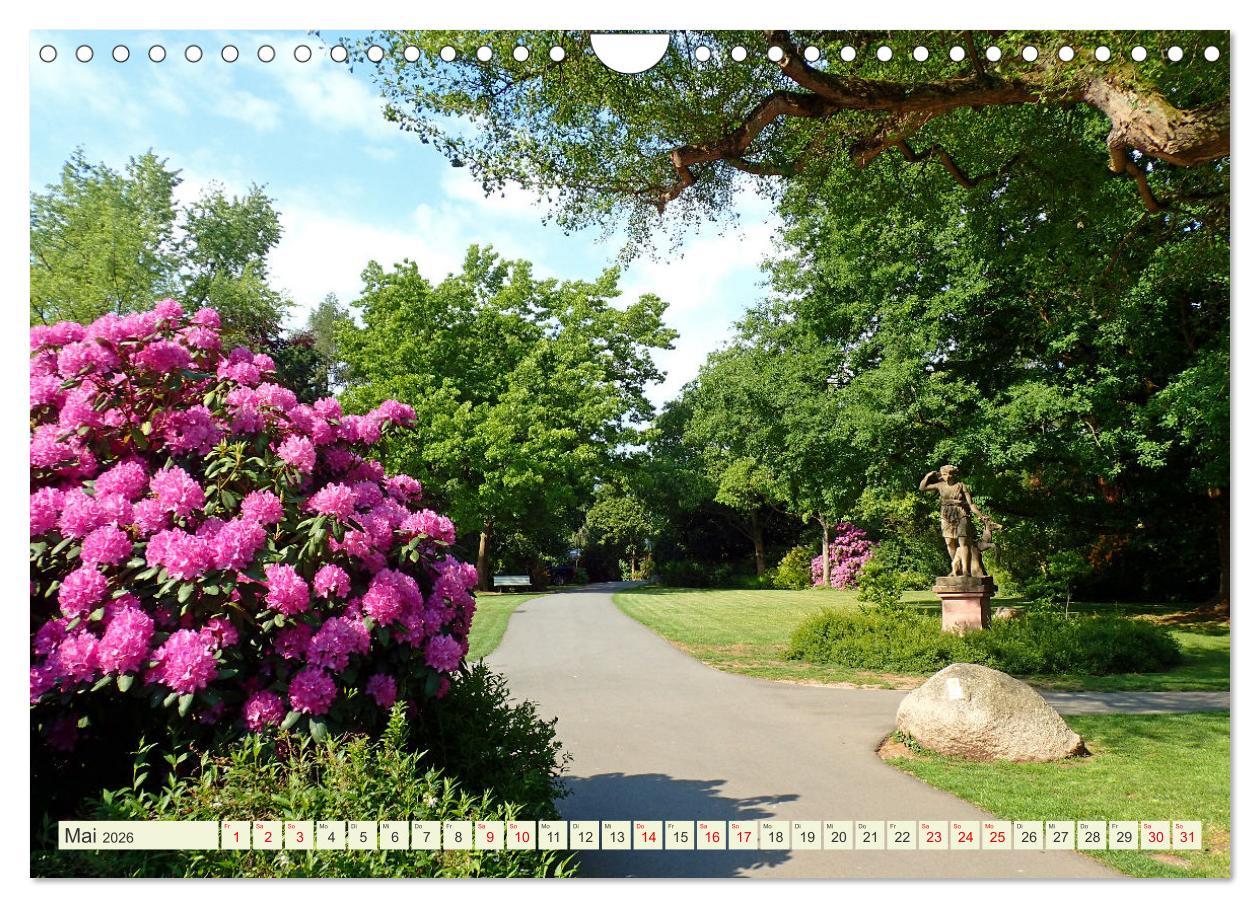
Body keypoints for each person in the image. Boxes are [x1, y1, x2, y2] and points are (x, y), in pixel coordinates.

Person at [918, 465, 998, 577]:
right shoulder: (940, 485)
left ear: (954, 474)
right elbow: (922, 488)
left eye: (950, 474)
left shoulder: (961, 486)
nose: (947, 476)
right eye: (945, 474)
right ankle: (956, 567)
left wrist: (980, 516)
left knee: (963, 542)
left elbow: (971, 504)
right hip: (946, 516)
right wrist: (927, 476)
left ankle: (966, 571)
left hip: (961, 514)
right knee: (949, 542)